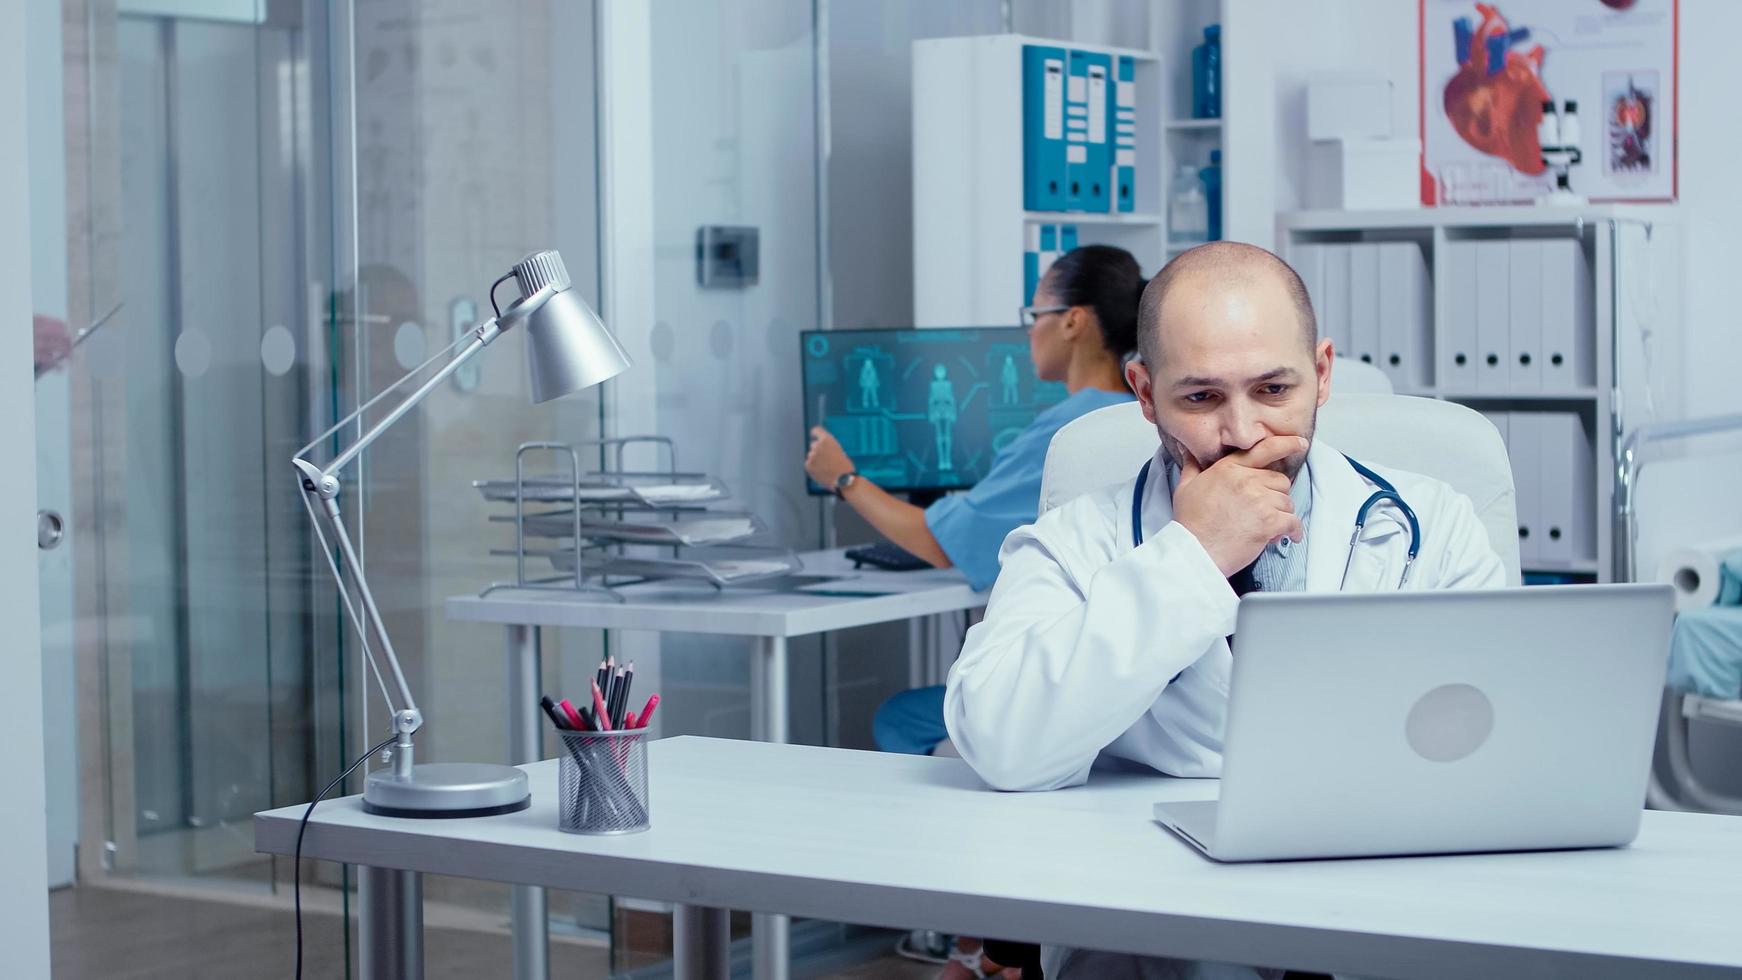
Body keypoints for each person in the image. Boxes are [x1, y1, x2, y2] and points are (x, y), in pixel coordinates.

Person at [943, 242, 1505, 980]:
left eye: (1273, 390)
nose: (1242, 433)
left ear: (1323, 374)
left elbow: (1493, 750)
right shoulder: (1076, 543)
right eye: (1201, 398)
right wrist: (1192, 557)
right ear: (1144, 392)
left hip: (1384, 898)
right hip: (1158, 914)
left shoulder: (1431, 525)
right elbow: (1001, 741)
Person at [805, 245, 1147, 980]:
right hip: (1137, 694)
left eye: (1037, 316)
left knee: (904, 717)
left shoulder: (1072, 429)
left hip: (1072, 706)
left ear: (1075, 322)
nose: (1029, 332)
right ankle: (997, 945)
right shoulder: (1150, 419)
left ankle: (982, 936)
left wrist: (845, 478)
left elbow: (937, 542)